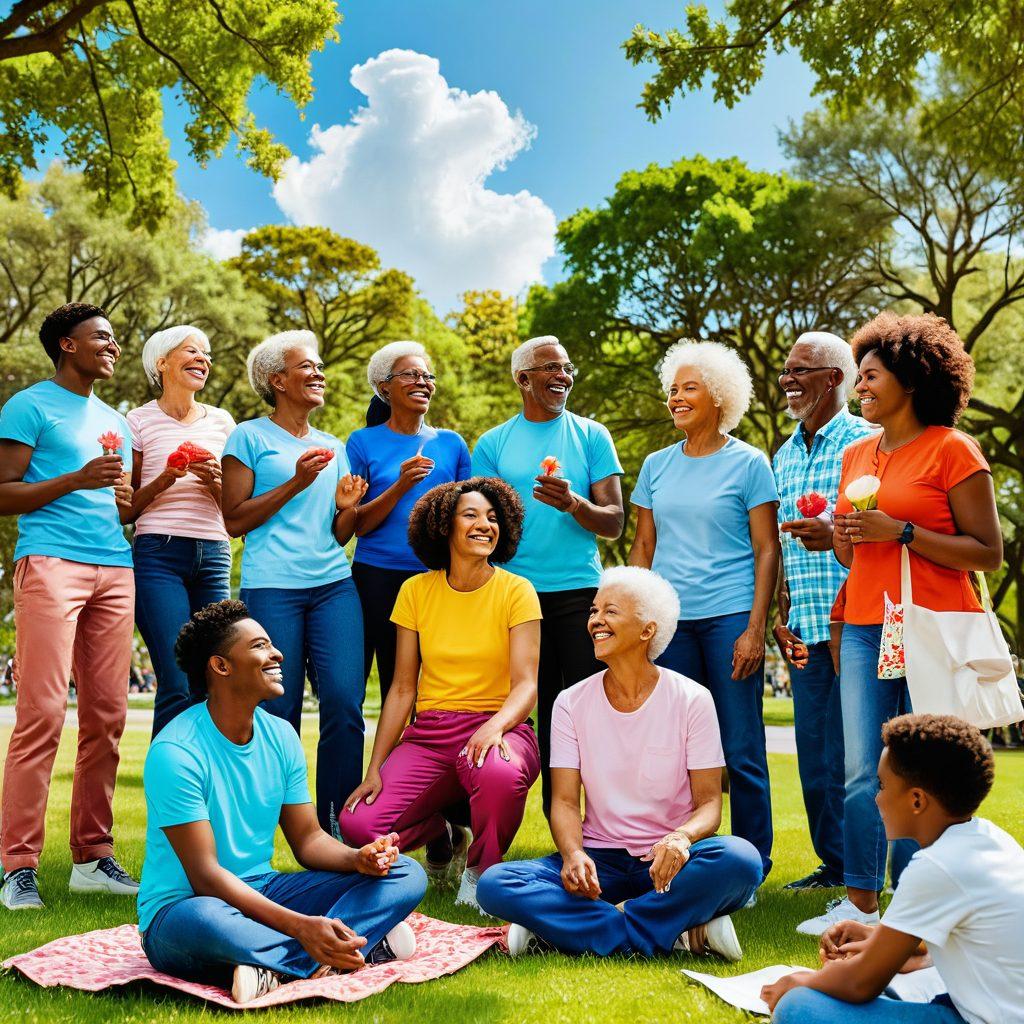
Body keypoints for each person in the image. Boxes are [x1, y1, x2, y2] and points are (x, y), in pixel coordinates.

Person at [798, 312, 1003, 936]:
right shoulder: (857, 452)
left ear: (910, 380)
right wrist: (844, 535)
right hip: (865, 624)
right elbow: (850, 555)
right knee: (864, 769)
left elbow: (986, 551)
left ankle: (920, 900)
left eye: (870, 376)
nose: (860, 387)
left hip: (932, 626)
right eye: (858, 376)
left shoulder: (953, 449)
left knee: (929, 771)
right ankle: (861, 902)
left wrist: (904, 531)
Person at [139, 600, 427, 1004]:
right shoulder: (176, 752)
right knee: (205, 919)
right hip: (185, 908)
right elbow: (205, 877)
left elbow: (308, 839)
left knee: (406, 874)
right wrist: (301, 927)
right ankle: (356, 948)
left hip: (267, 890)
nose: (277, 654)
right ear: (221, 666)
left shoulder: (282, 737)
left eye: (272, 644)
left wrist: (357, 858)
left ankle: (275, 965)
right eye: (260, 646)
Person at [477, 566, 763, 958]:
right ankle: (674, 931)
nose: (595, 621)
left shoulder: (692, 699)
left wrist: (681, 838)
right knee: (496, 882)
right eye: (593, 611)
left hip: (669, 862)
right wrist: (574, 854)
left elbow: (710, 803)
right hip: (599, 864)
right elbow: (562, 801)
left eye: (610, 611)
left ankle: (575, 929)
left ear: (647, 630)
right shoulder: (570, 702)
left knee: (742, 861)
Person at [340, 478, 542, 911]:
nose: (484, 525)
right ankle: (440, 835)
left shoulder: (517, 591)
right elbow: (401, 688)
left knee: (500, 775)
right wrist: (375, 767)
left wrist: (495, 728)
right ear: (443, 526)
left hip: (499, 726)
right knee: (358, 824)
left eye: (492, 517)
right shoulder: (415, 591)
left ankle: (480, 873)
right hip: (430, 734)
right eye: (470, 515)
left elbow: (526, 684)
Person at [0, 302, 138, 911]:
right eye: (100, 338)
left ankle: (92, 856)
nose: (112, 346)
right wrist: (75, 480)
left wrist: (160, 488)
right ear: (66, 345)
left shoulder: (118, 420)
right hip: (51, 563)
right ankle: (18, 866)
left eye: (113, 338)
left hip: (115, 567)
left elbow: (122, 506)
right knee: (42, 715)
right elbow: (4, 494)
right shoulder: (28, 406)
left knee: (108, 717)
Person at [628, 340, 780, 879]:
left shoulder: (749, 462)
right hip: (670, 625)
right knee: (675, 748)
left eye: (689, 388)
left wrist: (754, 628)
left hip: (730, 617)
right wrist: (631, 621)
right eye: (672, 389)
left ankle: (753, 864)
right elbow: (643, 549)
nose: (677, 398)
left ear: (719, 396)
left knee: (740, 745)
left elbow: (767, 549)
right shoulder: (655, 465)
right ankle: (674, 853)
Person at [764, 713, 1024, 1023]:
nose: (877, 797)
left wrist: (798, 981)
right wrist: (878, 937)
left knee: (799, 1007)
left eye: (883, 786)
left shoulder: (936, 865)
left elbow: (861, 983)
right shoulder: (988, 838)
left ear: (917, 801)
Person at [221, 330, 368, 835]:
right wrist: (295, 483)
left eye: (319, 365)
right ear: (276, 380)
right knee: (276, 709)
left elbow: (338, 531)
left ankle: (336, 832)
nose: (319, 373)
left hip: (333, 585)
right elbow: (233, 520)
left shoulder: (334, 445)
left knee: (345, 706)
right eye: (308, 366)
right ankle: (265, 831)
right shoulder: (249, 437)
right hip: (272, 589)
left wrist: (348, 508)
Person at [473, 335, 623, 817]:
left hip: (580, 592)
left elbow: (615, 520)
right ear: (523, 378)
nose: (564, 376)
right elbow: (481, 527)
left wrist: (575, 503)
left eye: (567, 367)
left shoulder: (592, 435)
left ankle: (600, 821)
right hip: (516, 597)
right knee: (532, 710)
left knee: (589, 708)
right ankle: (554, 817)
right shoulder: (493, 444)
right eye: (552, 368)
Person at [772, 332, 875, 891]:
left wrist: (833, 532)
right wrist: (783, 612)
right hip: (806, 627)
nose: (788, 379)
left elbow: (880, 528)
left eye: (801, 370)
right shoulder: (784, 455)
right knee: (815, 762)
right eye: (786, 370)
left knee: (857, 759)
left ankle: (867, 872)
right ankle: (835, 866)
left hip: (860, 624)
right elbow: (784, 548)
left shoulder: (869, 442)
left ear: (836, 377)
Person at [347, 341, 471, 705]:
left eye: (427, 376)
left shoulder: (452, 443)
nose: (423, 381)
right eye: (411, 374)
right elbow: (358, 525)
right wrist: (402, 485)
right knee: (392, 685)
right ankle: (381, 764)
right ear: (384, 386)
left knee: (430, 690)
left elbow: (467, 516)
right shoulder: (362, 442)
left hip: (437, 578)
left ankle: (422, 761)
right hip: (376, 577)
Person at [126, 325, 236, 736]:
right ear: (162, 362)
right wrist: (166, 478)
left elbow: (237, 506)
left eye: (207, 354)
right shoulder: (137, 420)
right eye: (192, 351)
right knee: (175, 680)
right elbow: (127, 508)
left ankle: (205, 777)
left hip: (214, 555)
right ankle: (169, 788)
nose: (203, 359)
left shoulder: (224, 423)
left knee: (213, 676)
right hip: (158, 555)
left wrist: (215, 482)